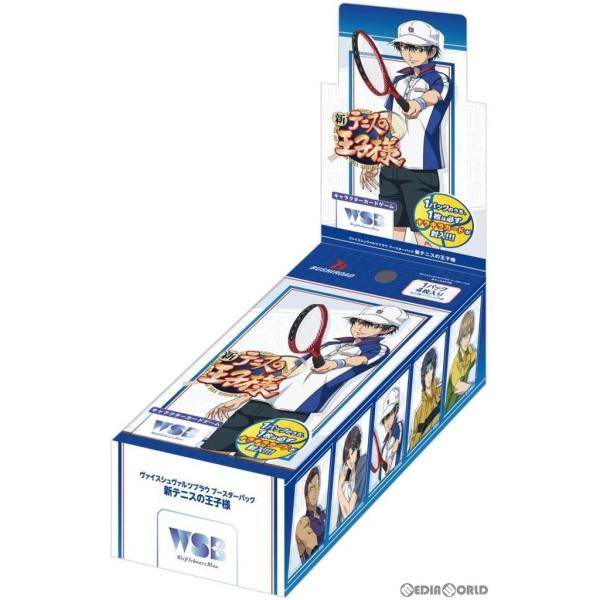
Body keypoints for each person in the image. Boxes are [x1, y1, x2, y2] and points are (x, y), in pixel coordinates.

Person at [201, 305, 407, 453]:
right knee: (214, 448)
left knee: (253, 457)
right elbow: (288, 372)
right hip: (262, 400)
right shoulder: (330, 344)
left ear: (387, 330)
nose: (361, 327)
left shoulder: (378, 349)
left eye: (370, 325)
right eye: (359, 322)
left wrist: (336, 364)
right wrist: (243, 397)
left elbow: (360, 360)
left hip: (298, 409)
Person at [360, 20, 453, 245]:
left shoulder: (440, 78)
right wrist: (373, 159)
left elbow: (434, 95)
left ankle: (428, 264)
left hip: (421, 168)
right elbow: (387, 123)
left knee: (423, 229)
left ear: (431, 51)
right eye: (405, 47)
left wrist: (418, 103)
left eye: (417, 48)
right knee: (394, 225)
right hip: (390, 166)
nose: (410, 54)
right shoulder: (398, 80)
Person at [409, 347, 441, 450]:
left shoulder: (441, 390)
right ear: (423, 373)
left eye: (431, 371)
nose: (429, 376)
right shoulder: (419, 413)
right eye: (426, 372)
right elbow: (413, 446)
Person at [445, 310, 477, 412]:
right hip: (451, 406)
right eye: (464, 335)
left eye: (469, 334)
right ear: (460, 335)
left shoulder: (471, 352)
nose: (467, 339)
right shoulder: (456, 362)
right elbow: (458, 387)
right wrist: (472, 386)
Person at [336, 425, 367, 526]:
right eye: (347, 457)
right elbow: (344, 515)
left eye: (352, 453)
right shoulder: (346, 470)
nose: (349, 460)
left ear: (357, 450)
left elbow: (349, 515)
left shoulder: (362, 464)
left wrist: (339, 491)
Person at [295, 466, 326, 564]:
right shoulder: (303, 522)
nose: (315, 491)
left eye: (317, 486)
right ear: (306, 496)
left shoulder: (323, 513)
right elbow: (309, 538)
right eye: (311, 488)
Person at [375, 389, 403, 480]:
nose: (387, 421)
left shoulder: (398, 427)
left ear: (396, 412)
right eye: (385, 417)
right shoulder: (385, 442)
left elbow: (396, 444)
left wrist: (390, 458)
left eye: (390, 415)